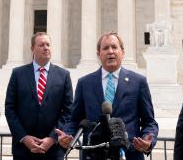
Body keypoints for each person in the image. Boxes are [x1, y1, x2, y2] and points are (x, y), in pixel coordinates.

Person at [57, 32, 159, 160]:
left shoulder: (138, 82)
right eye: (105, 48)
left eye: (114, 47)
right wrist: (67, 136)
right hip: (93, 154)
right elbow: (74, 119)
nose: (110, 51)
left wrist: (148, 140)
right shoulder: (85, 83)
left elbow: (149, 121)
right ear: (98, 54)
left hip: (129, 154)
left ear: (122, 52)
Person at [5, 32, 73, 160]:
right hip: (23, 150)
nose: (46, 47)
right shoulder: (18, 74)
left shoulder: (63, 75)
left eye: (48, 44)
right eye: (41, 45)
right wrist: (24, 137)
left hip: (53, 150)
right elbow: (10, 108)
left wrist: (52, 138)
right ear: (32, 49)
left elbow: (68, 112)